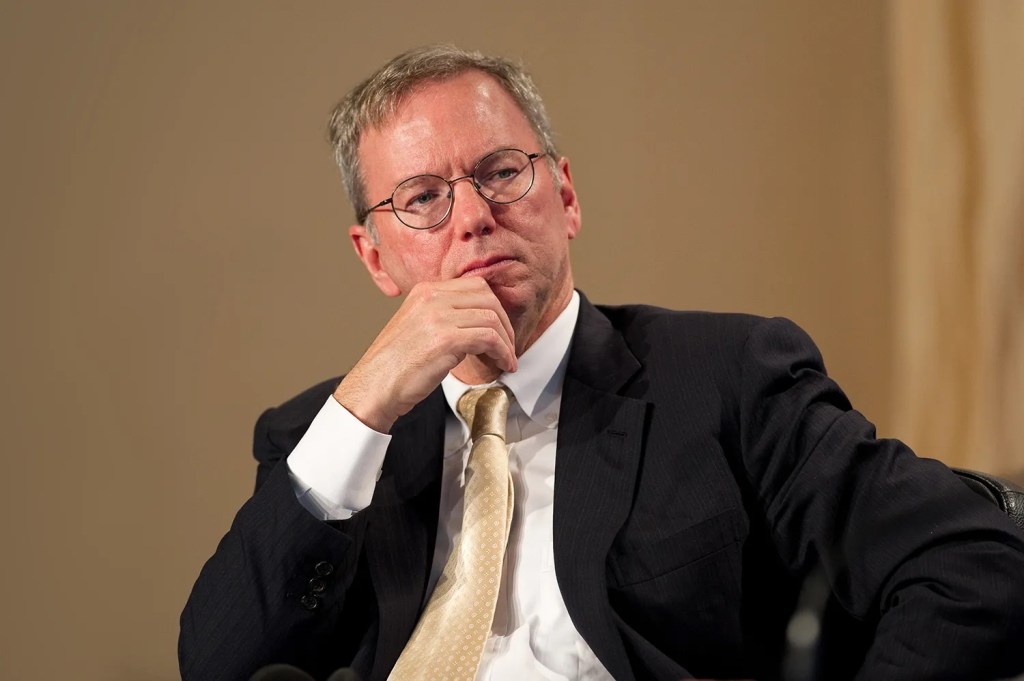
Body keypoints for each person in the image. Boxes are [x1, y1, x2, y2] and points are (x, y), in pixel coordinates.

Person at [179, 45, 1024, 681]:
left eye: (500, 172)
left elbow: (979, 564)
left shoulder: (725, 376)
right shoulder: (327, 439)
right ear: (375, 258)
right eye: (423, 198)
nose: (472, 217)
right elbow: (218, 663)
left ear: (567, 196)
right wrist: (362, 404)